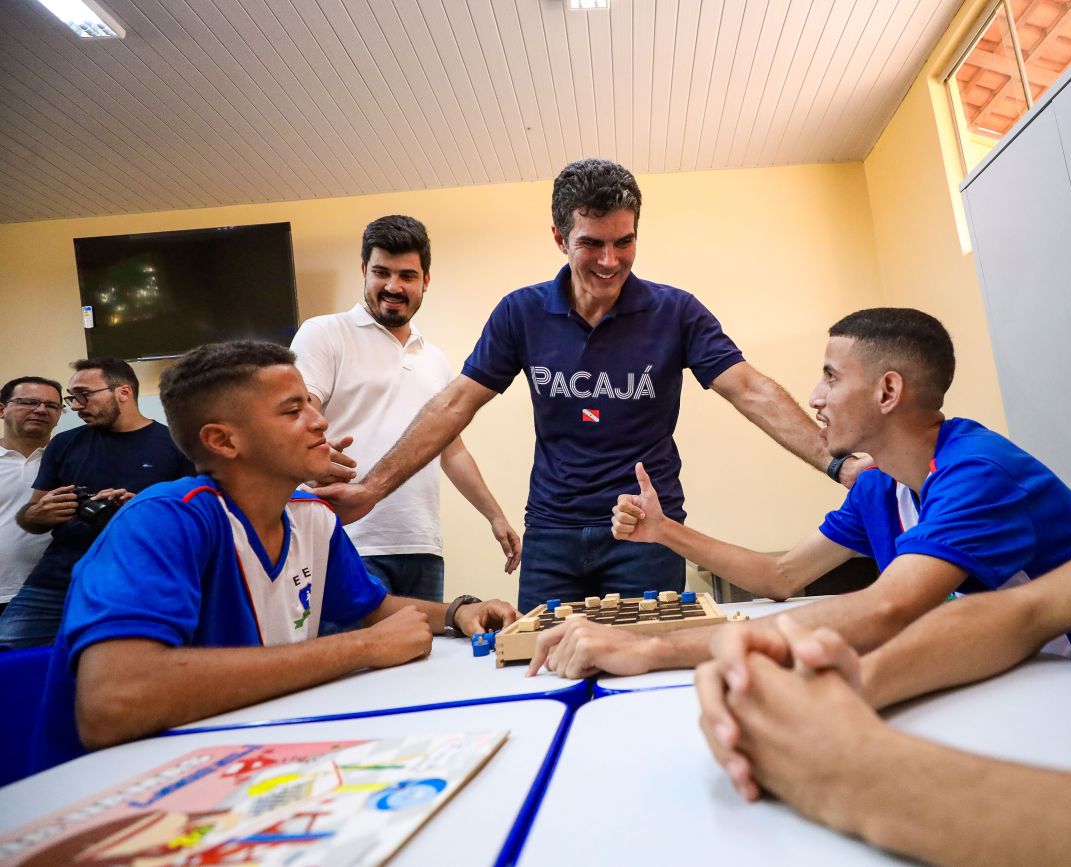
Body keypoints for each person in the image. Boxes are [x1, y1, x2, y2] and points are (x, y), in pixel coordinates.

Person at [697, 1, 1071, 861]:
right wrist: (840, 689)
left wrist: (851, 765)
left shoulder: (978, 468)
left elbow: (893, 604)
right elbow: (1024, 608)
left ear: (891, 389)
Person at [316, 159, 868, 611]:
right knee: (548, 669)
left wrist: (837, 463)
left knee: (644, 678)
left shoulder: (675, 312)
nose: (609, 261)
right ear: (559, 237)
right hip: (552, 535)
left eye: (623, 242)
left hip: (647, 532)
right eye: (591, 243)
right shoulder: (521, 314)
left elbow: (748, 388)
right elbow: (455, 404)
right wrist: (371, 489)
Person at [528, 309, 1071, 689]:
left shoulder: (978, 475)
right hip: (1023, 681)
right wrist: (667, 533)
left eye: (831, 377)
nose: (814, 397)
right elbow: (781, 577)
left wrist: (647, 650)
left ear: (888, 392)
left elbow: (884, 611)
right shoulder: (882, 486)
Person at [32, 341, 519, 769]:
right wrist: (359, 648)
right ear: (223, 440)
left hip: (250, 755)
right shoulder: (161, 520)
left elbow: (373, 609)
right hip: (127, 789)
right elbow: (115, 703)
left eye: (310, 403)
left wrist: (458, 611)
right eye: (293, 411)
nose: (320, 420)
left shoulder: (311, 516)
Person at [292, 215, 521, 607]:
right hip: (347, 540)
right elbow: (299, 413)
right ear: (364, 270)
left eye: (407, 275)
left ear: (425, 281)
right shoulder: (324, 334)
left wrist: (495, 516)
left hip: (422, 545)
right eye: (381, 272)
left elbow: (453, 451)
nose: (393, 286)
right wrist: (310, 451)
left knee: (422, 657)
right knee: (358, 660)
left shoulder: (434, 358)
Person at [0, 358, 194, 648]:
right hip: (57, 578)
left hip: (137, 579)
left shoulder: (178, 445)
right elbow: (30, 518)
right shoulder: (64, 444)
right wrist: (42, 512)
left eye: (83, 395)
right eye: (72, 397)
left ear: (123, 393)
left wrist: (140, 508)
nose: (75, 406)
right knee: (9, 656)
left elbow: (192, 522)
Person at [0, 376, 63, 617]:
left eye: (52, 406)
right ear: (2, 410)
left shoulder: (72, 460)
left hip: (54, 593)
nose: (41, 410)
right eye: (28, 402)